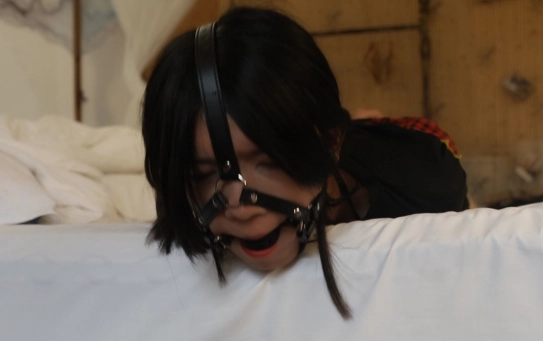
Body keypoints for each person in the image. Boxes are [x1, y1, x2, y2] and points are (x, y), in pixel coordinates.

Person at [142, 6, 467, 319]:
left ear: (331, 143)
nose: (240, 207)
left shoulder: (428, 185)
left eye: (269, 162)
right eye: (203, 173)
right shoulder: (182, 201)